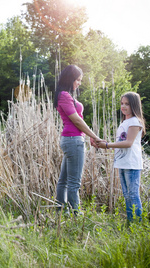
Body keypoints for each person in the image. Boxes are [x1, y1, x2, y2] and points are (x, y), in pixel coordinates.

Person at [54, 65, 101, 214]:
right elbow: (77, 121)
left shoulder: (65, 95)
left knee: (64, 181)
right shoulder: (64, 96)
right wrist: (94, 136)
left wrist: (87, 137)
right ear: (70, 79)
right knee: (74, 183)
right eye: (78, 80)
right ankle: (76, 215)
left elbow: (78, 120)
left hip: (71, 139)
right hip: (73, 140)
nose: (79, 83)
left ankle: (61, 212)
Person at [96, 92, 146, 222]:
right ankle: (131, 221)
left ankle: (137, 223)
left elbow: (128, 143)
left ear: (134, 105)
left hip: (132, 163)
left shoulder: (135, 121)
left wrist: (107, 145)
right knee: (127, 195)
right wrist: (103, 142)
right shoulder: (125, 121)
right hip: (122, 162)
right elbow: (120, 141)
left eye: (127, 104)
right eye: (122, 103)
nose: (123, 107)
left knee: (133, 194)